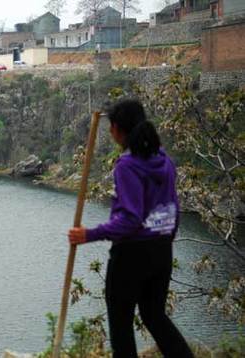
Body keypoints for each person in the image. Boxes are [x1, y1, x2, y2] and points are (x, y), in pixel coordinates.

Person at [68, 99, 194, 358]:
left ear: (115, 129)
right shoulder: (165, 161)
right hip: (161, 251)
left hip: (131, 256)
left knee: (121, 327)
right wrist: (165, 239)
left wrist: (88, 235)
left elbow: (131, 219)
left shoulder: (127, 165)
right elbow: (173, 207)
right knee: (155, 316)